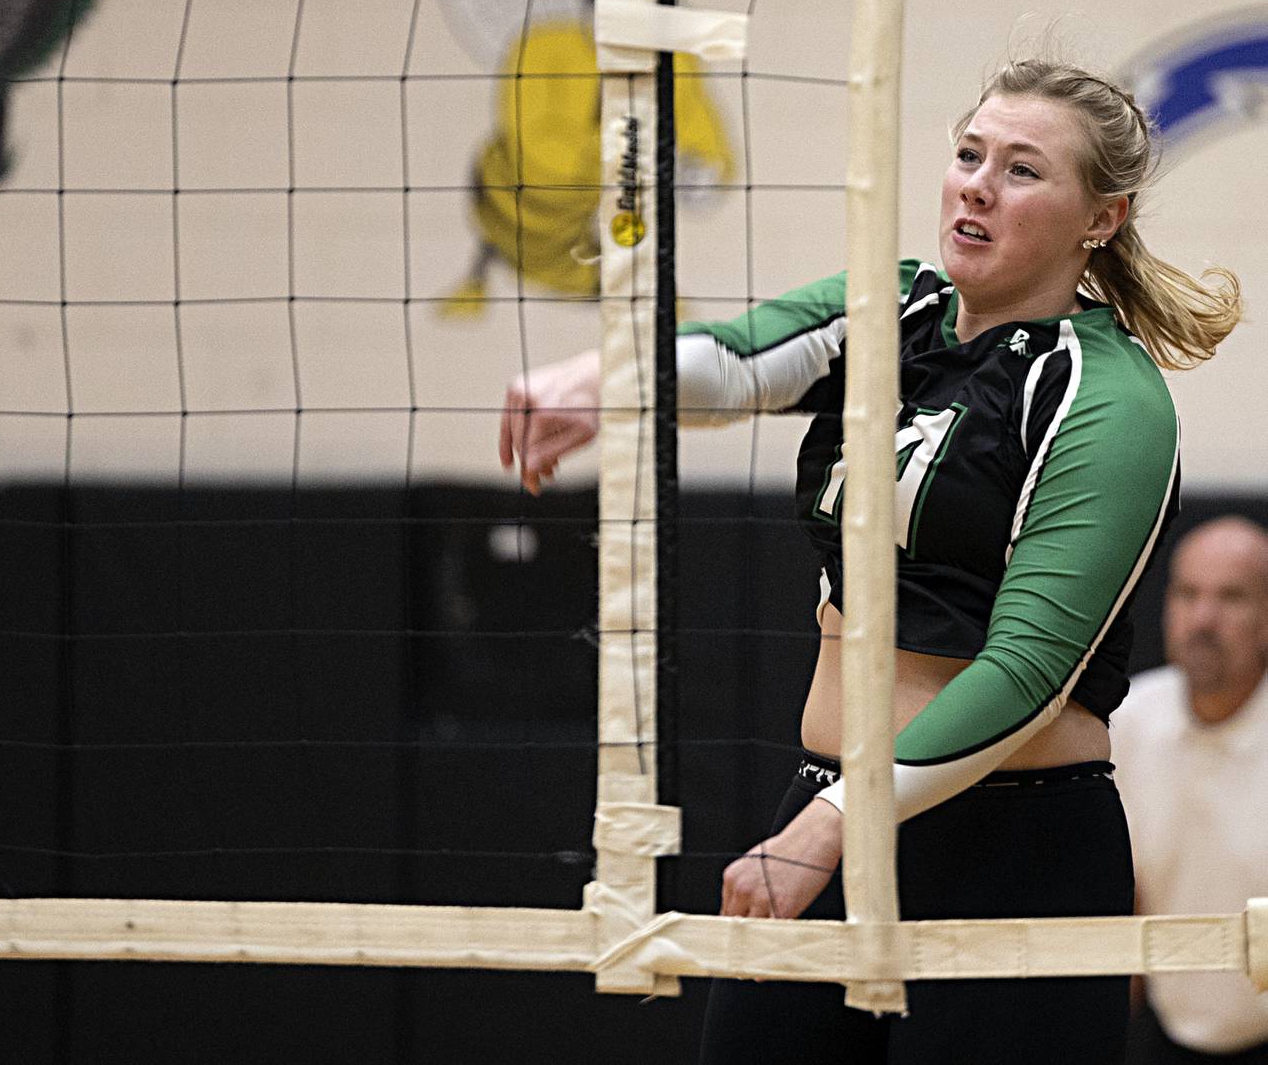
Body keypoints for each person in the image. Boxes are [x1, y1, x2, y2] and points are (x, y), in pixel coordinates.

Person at [498, 58, 1242, 1064]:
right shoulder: (897, 311)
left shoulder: (1109, 398)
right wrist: (604, 381)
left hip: (1009, 850)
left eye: (1022, 170)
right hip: (833, 805)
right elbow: (737, 358)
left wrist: (826, 828)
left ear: (1099, 219)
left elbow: (1028, 675)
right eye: (969, 154)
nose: (977, 183)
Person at [1113, 517, 1268, 1063]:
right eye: (1188, 593)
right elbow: (1126, 895)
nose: (1203, 618)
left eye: (1231, 597)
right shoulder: (1126, 721)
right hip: (1163, 1033)